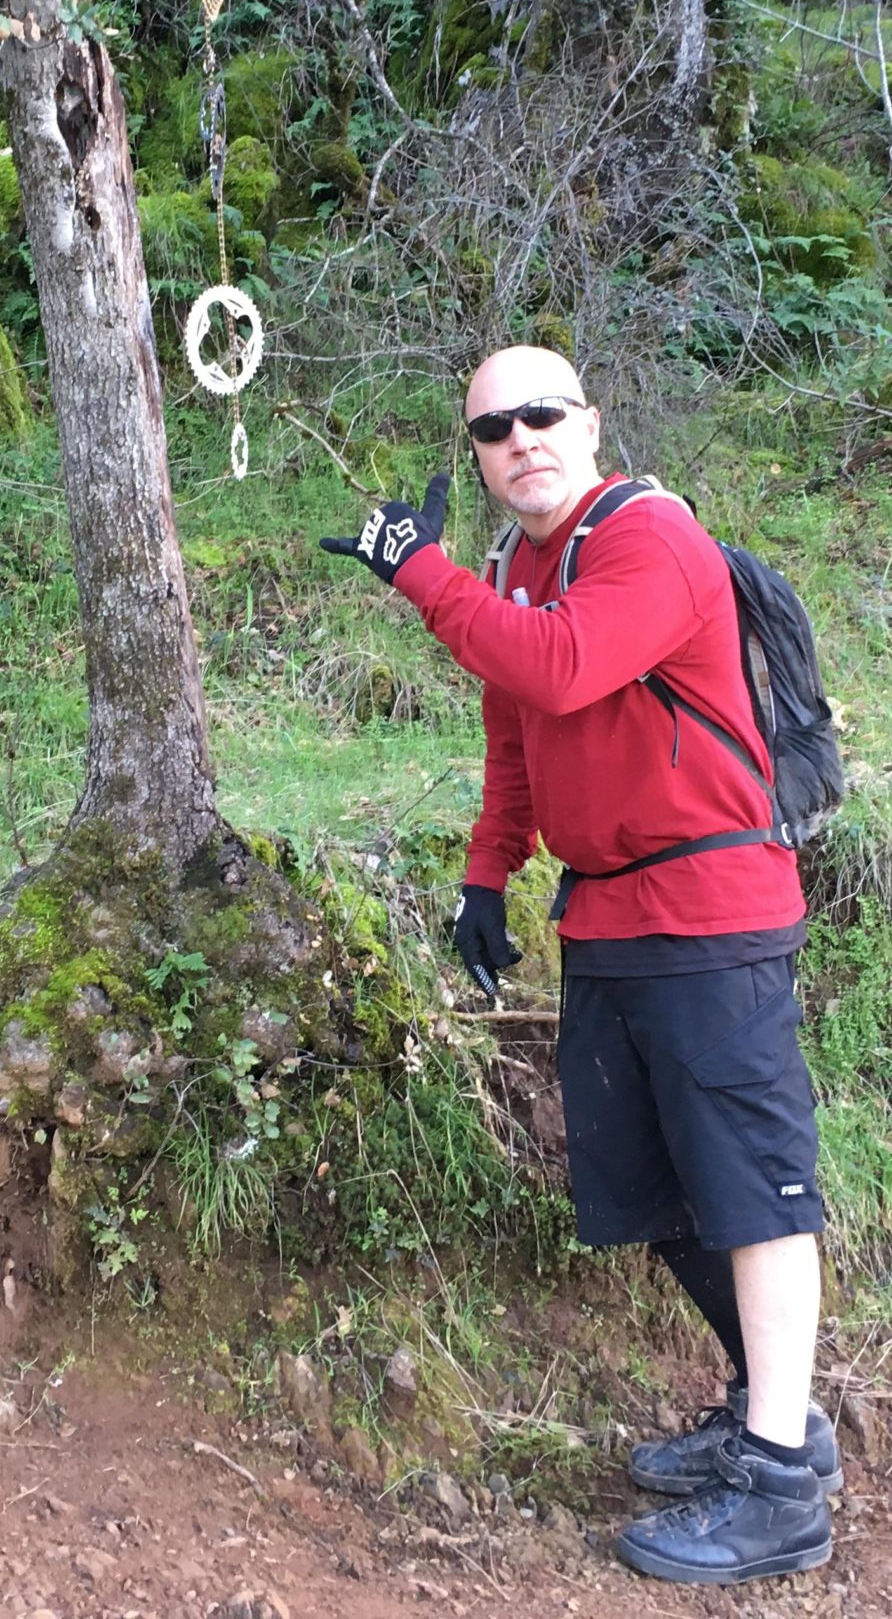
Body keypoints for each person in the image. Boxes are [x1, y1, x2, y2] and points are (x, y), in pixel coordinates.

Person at [320, 345, 834, 1587]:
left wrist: (415, 572)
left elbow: (558, 664)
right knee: (659, 1192)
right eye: (492, 429)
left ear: (589, 420)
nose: (519, 441)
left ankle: (778, 1481)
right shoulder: (517, 569)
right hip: (605, 921)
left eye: (540, 414)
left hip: (712, 911)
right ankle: (777, 1419)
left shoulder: (648, 537)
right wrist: (487, 872)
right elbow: (519, 724)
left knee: (753, 1187)